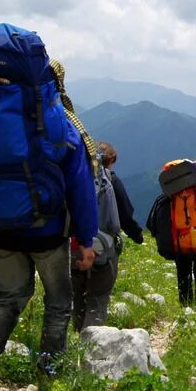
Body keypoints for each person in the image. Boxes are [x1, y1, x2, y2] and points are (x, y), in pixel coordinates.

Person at [0, 25, 98, 391]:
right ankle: (49, 377)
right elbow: (81, 180)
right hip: (47, 228)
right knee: (58, 302)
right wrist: (85, 240)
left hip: (0, 226)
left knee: (8, 299)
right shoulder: (51, 116)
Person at [70, 142, 122, 331]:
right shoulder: (108, 182)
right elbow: (115, 223)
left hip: (73, 246)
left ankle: (77, 341)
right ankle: (92, 345)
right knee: (98, 298)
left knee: (77, 297)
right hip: (100, 250)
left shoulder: (73, 177)